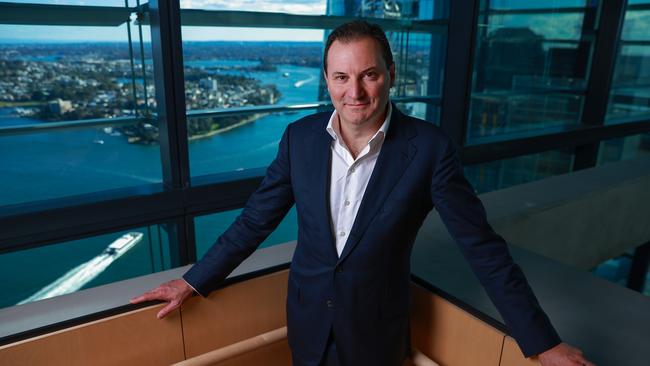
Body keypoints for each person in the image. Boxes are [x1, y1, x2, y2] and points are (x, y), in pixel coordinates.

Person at [132, 21, 594, 366]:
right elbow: (255, 220)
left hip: (376, 334)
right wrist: (194, 280)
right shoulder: (299, 138)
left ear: (390, 75)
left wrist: (542, 341)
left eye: (368, 75)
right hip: (308, 322)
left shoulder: (429, 150)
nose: (354, 92)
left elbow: (483, 249)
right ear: (327, 79)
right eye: (340, 77)